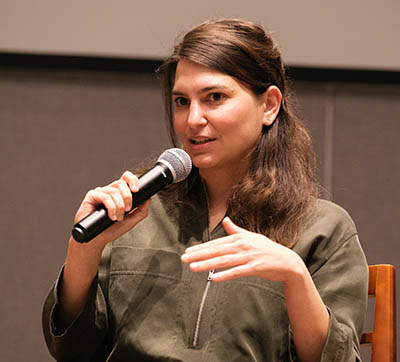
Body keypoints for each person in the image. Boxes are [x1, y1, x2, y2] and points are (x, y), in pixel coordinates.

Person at [42, 18, 368, 362]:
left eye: (214, 97)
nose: (192, 119)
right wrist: (84, 252)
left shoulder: (323, 228)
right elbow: (72, 351)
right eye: (182, 101)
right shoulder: (137, 210)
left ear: (269, 106)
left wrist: (295, 276)